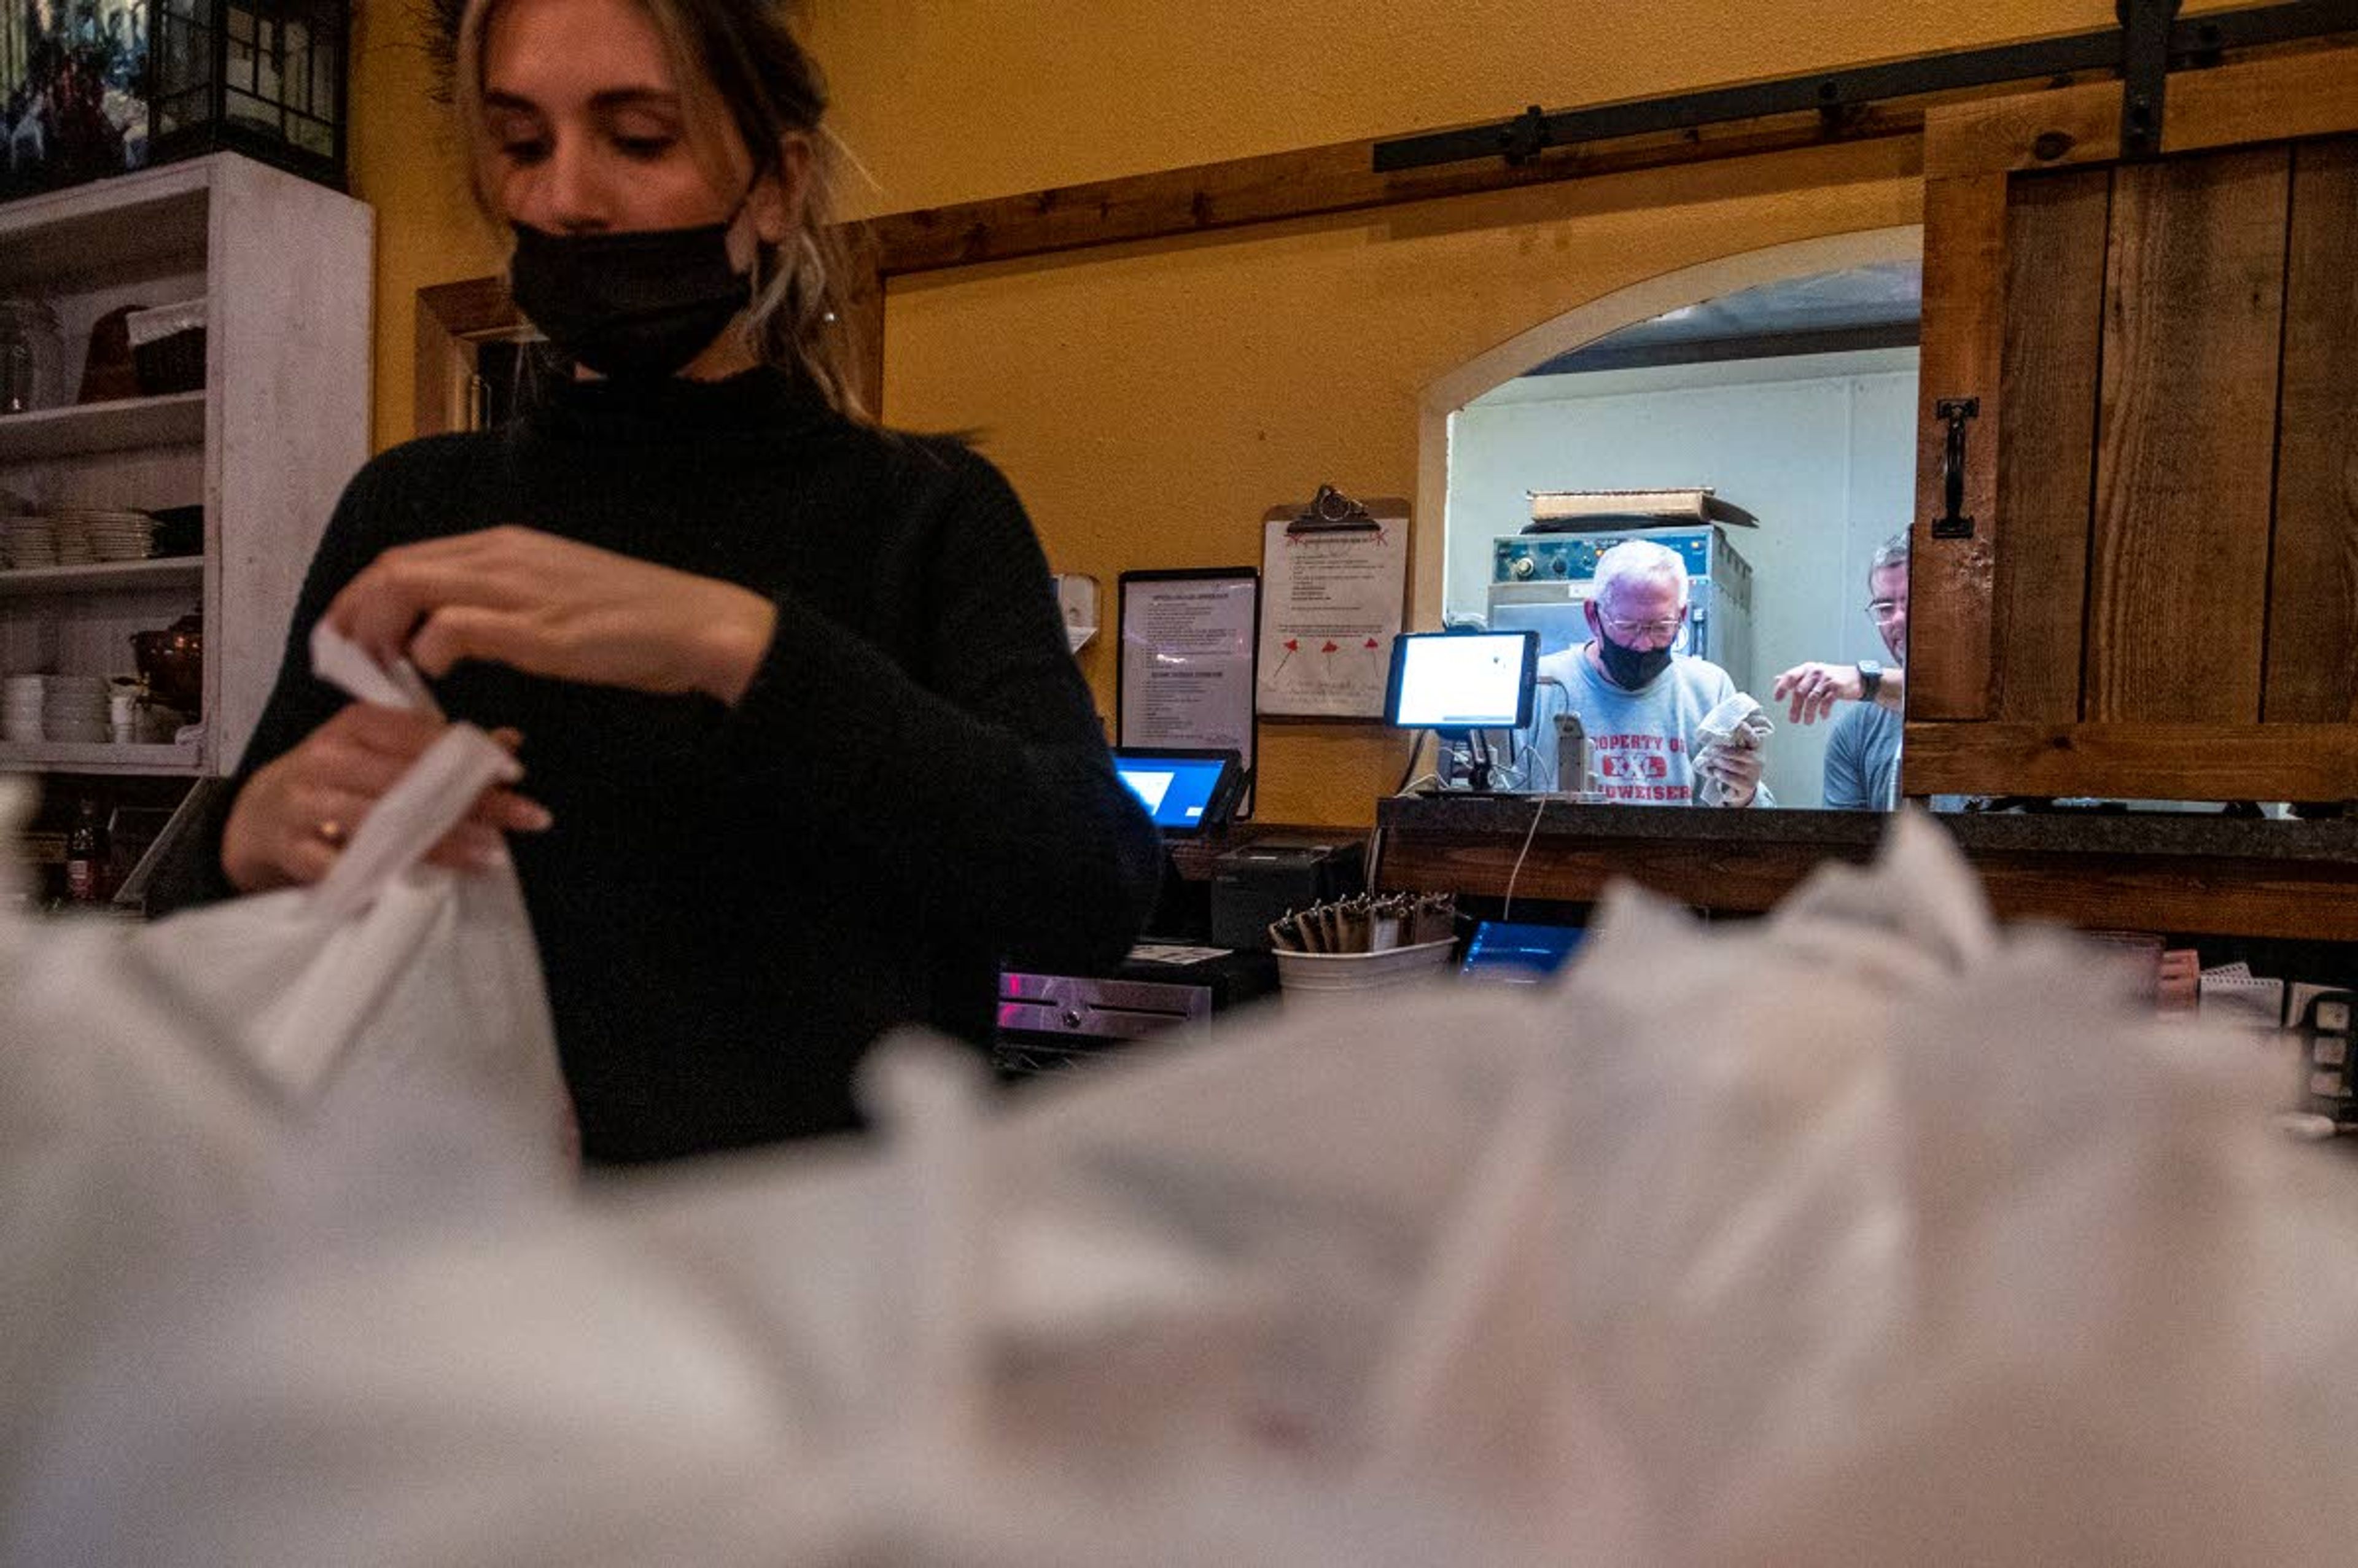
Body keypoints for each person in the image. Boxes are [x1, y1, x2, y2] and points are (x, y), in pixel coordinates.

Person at [192, 0, 1162, 1164]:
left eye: (639, 139)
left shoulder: (927, 513)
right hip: (484, 1278)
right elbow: (213, 943)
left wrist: (740, 645)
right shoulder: (414, 510)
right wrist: (250, 834)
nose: (565, 198)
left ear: (775, 185)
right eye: (522, 144)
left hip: (825, 1286)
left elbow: (1094, 886)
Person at [1513, 539, 1768, 805]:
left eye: (1661, 627)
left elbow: (1744, 824)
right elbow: (1499, 810)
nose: (1644, 644)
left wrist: (1746, 793)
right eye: (1627, 626)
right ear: (1593, 616)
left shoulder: (1708, 689)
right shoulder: (1540, 686)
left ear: (1682, 616)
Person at [1772, 534, 1909, 810]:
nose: (1898, 618)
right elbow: (1847, 847)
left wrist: (1867, 681)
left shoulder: (1994, 709)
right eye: (1885, 607)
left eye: (1911, 601)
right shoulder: (1857, 732)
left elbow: (1952, 698)